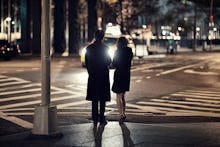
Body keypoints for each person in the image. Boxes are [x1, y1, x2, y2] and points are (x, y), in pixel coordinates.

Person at [85, 30, 111, 125]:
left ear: (95, 36)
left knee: (94, 97)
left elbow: (87, 62)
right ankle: (102, 117)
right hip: (103, 74)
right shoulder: (105, 48)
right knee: (102, 98)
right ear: (103, 37)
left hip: (93, 75)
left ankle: (94, 117)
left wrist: (90, 71)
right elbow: (109, 61)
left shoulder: (89, 48)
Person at [112, 36, 133, 124]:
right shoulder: (129, 51)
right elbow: (130, 62)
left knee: (118, 95)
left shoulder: (117, 51)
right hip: (126, 74)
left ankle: (121, 114)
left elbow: (114, 63)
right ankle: (124, 113)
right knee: (123, 95)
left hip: (119, 73)